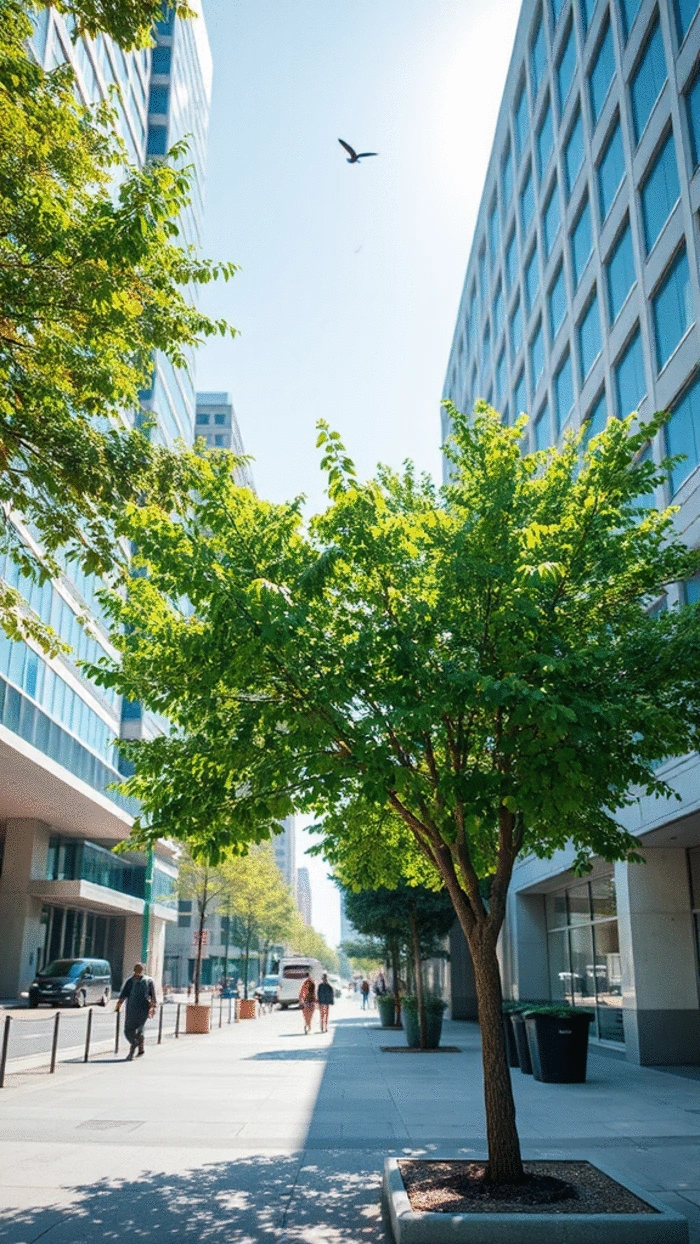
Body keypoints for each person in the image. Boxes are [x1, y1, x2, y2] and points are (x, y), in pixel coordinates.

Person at [116, 962, 156, 1060]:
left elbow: (153, 996)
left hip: (141, 1009)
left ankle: (132, 1049)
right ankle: (140, 1047)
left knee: (135, 1030)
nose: (138, 971)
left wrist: (152, 1007)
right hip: (133, 1009)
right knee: (132, 1030)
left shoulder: (148, 981)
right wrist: (118, 1006)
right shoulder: (130, 981)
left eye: (140, 969)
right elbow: (123, 994)